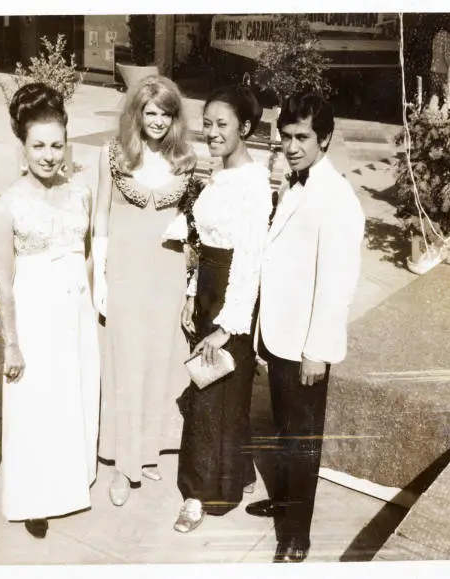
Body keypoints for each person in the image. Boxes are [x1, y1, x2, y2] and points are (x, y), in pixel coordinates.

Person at [246, 93, 365, 563]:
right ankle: (284, 502)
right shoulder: (295, 184)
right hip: (280, 335)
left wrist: (318, 351)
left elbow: (338, 283)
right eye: (285, 135)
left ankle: (296, 534)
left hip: (305, 345)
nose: (291, 145)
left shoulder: (336, 198)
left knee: (302, 439)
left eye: (302, 137)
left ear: (325, 139)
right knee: (283, 430)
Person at [0, 83, 100, 538]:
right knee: (34, 404)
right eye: (39, 145)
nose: (49, 155)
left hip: (74, 313)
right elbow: (0, 281)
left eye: (57, 145)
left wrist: (89, 310)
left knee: (73, 395)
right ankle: (35, 497)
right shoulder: (5, 205)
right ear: (22, 145)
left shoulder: (80, 195)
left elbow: (87, 254)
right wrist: (12, 343)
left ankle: (71, 481)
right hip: (33, 317)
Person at [92, 75, 196, 506]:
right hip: (125, 273)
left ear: (174, 117)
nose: (156, 121)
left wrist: (187, 227)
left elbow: (198, 221)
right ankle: (122, 464)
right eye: (149, 112)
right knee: (125, 364)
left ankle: (148, 452)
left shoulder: (186, 161)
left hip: (167, 273)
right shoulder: (112, 155)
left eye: (164, 113)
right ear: (136, 113)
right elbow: (100, 217)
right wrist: (99, 276)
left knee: (159, 361)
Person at [173, 83, 272, 533]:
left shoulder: (254, 184)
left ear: (245, 128)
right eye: (207, 123)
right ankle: (237, 472)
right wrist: (193, 290)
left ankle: (198, 494)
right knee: (218, 389)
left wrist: (227, 326)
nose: (212, 132)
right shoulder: (220, 173)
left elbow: (249, 260)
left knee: (212, 392)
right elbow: (204, 239)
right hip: (209, 286)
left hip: (233, 293)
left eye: (222, 125)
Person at [429, 17, 450, 106]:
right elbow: (447, 55)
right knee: (447, 97)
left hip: (434, 69)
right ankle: (445, 116)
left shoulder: (437, 36)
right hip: (444, 71)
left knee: (434, 95)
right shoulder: (447, 36)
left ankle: (431, 114)